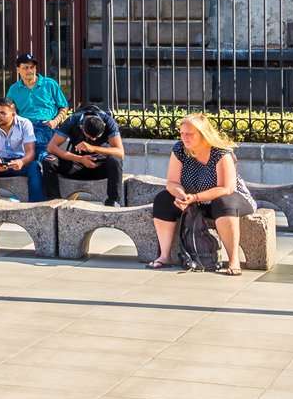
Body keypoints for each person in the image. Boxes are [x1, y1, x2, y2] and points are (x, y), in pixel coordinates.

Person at [150, 113, 255, 273]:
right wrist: (183, 196)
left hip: (230, 199)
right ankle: (164, 256)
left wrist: (195, 197)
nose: (184, 137)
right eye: (182, 133)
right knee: (163, 199)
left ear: (203, 135)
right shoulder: (179, 149)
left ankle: (234, 261)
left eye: (190, 134)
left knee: (223, 202)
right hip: (194, 199)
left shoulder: (220, 152)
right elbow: (172, 182)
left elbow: (226, 188)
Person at [42, 103, 126, 207]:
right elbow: (51, 147)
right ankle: (54, 200)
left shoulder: (108, 121)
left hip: (99, 165)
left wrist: (93, 148)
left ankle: (113, 201)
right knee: (49, 160)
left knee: (115, 160)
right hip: (76, 164)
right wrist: (80, 159)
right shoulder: (73, 120)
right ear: (82, 127)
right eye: (90, 137)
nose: (93, 140)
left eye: (96, 137)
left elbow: (120, 152)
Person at [3, 54, 71, 157]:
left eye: (32, 67)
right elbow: (9, 110)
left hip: (46, 125)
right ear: (18, 70)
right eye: (25, 68)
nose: (30, 70)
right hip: (25, 126)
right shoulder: (13, 89)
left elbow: (64, 106)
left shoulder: (50, 84)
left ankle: (41, 160)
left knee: (38, 150)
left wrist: (55, 121)